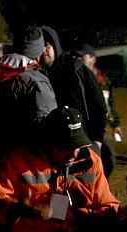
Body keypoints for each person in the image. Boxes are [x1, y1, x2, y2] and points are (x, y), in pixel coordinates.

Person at [0, 24, 57, 169]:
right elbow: (47, 124)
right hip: (29, 163)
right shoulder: (35, 81)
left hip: (0, 157)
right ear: (38, 50)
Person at [40, 27, 109, 166]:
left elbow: (99, 106)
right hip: (53, 150)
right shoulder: (37, 75)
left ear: (55, 46)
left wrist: (97, 140)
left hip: (83, 144)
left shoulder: (77, 69)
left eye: (48, 45)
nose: (44, 50)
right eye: (41, 46)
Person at [77, 43, 123, 178]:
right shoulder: (77, 79)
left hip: (99, 128)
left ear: (93, 58)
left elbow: (109, 104)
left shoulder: (103, 81)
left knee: (108, 159)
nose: (79, 59)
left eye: (82, 57)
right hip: (84, 128)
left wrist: (115, 125)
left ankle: (100, 184)